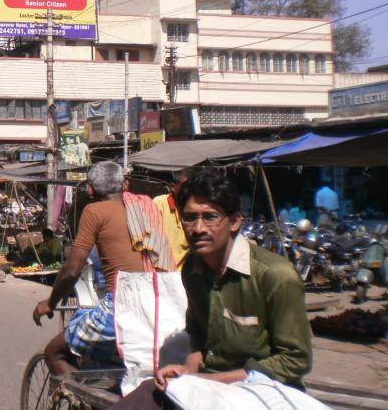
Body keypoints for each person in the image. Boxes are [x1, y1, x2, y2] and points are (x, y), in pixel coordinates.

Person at [116, 170, 313, 408]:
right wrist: (187, 371)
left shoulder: (275, 276)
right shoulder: (192, 269)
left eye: (210, 217)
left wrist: (210, 380)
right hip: (210, 386)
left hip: (264, 389)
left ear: (235, 222)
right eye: (189, 218)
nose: (198, 228)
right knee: (143, 395)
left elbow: (295, 360)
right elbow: (198, 334)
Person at [32, 161, 145, 376]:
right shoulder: (145, 208)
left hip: (120, 306)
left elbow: (72, 269)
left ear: (91, 189)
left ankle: (77, 398)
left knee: (53, 352)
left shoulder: (94, 211)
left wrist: (50, 302)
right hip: (157, 305)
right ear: (125, 185)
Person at [153, 170, 190, 270]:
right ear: (173, 187)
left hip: (185, 274)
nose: (189, 191)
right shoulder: (159, 203)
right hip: (162, 272)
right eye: (185, 186)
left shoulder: (192, 208)